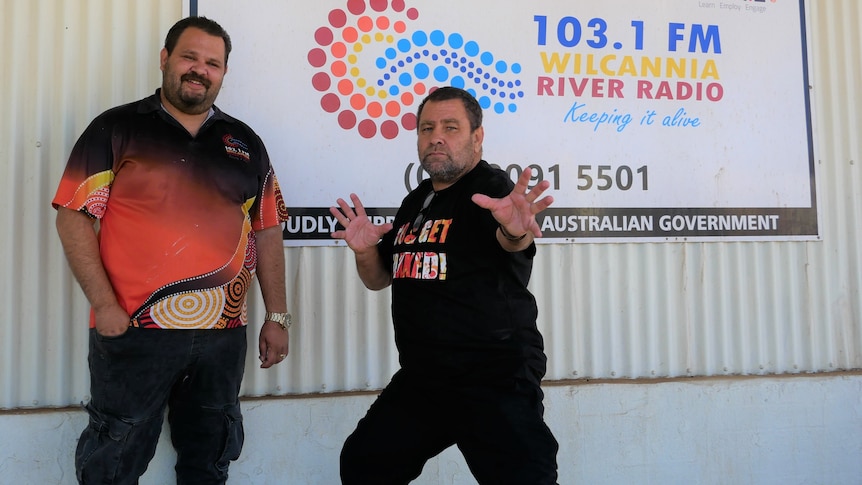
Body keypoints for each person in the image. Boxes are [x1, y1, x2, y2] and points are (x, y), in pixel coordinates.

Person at [52, 16, 291, 484]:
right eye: (189, 57)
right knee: (113, 461)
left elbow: (267, 230)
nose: (199, 70)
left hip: (224, 336)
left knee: (211, 457)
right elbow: (73, 216)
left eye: (213, 63)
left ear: (223, 73)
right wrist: (104, 305)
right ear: (165, 59)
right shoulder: (116, 128)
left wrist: (278, 316)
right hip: (136, 330)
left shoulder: (246, 142)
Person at [330, 86, 559, 484]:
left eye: (451, 127)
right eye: (427, 128)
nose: (436, 136)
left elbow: (511, 242)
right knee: (365, 464)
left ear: (477, 137)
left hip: (493, 377)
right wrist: (365, 251)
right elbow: (380, 279)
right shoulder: (417, 200)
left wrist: (516, 233)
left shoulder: (493, 192)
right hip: (425, 378)